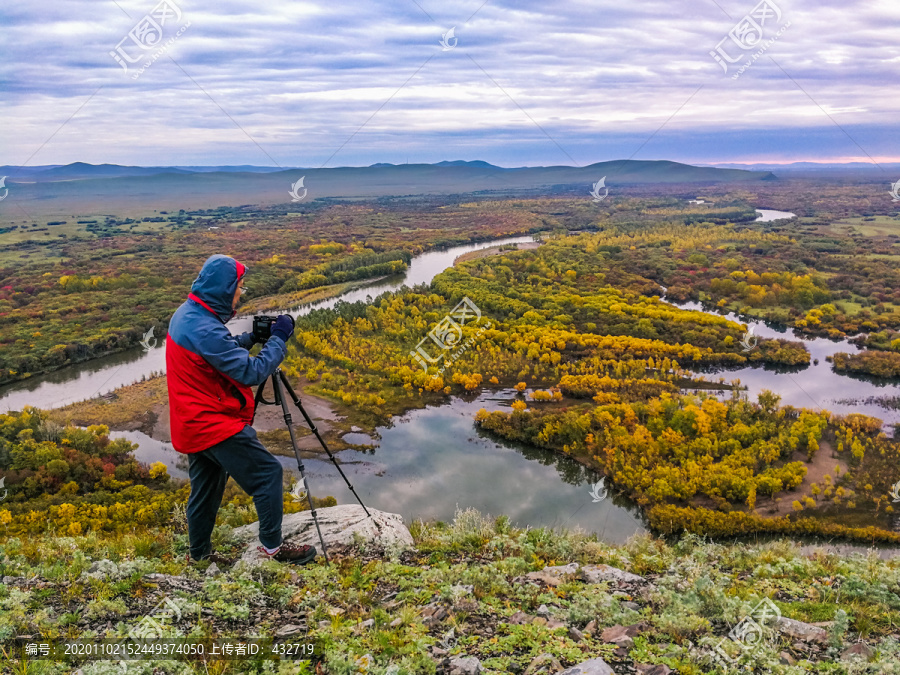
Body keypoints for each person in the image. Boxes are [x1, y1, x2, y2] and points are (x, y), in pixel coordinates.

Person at [166, 253, 316, 565]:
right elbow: (251, 373)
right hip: (213, 423)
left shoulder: (188, 315)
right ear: (224, 288)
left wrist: (250, 338)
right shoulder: (204, 328)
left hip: (190, 422)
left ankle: (200, 556)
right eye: (240, 287)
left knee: (205, 492)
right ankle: (272, 550)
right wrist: (278, 339)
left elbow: (216, 352)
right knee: (268, 475)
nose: (240, 293)